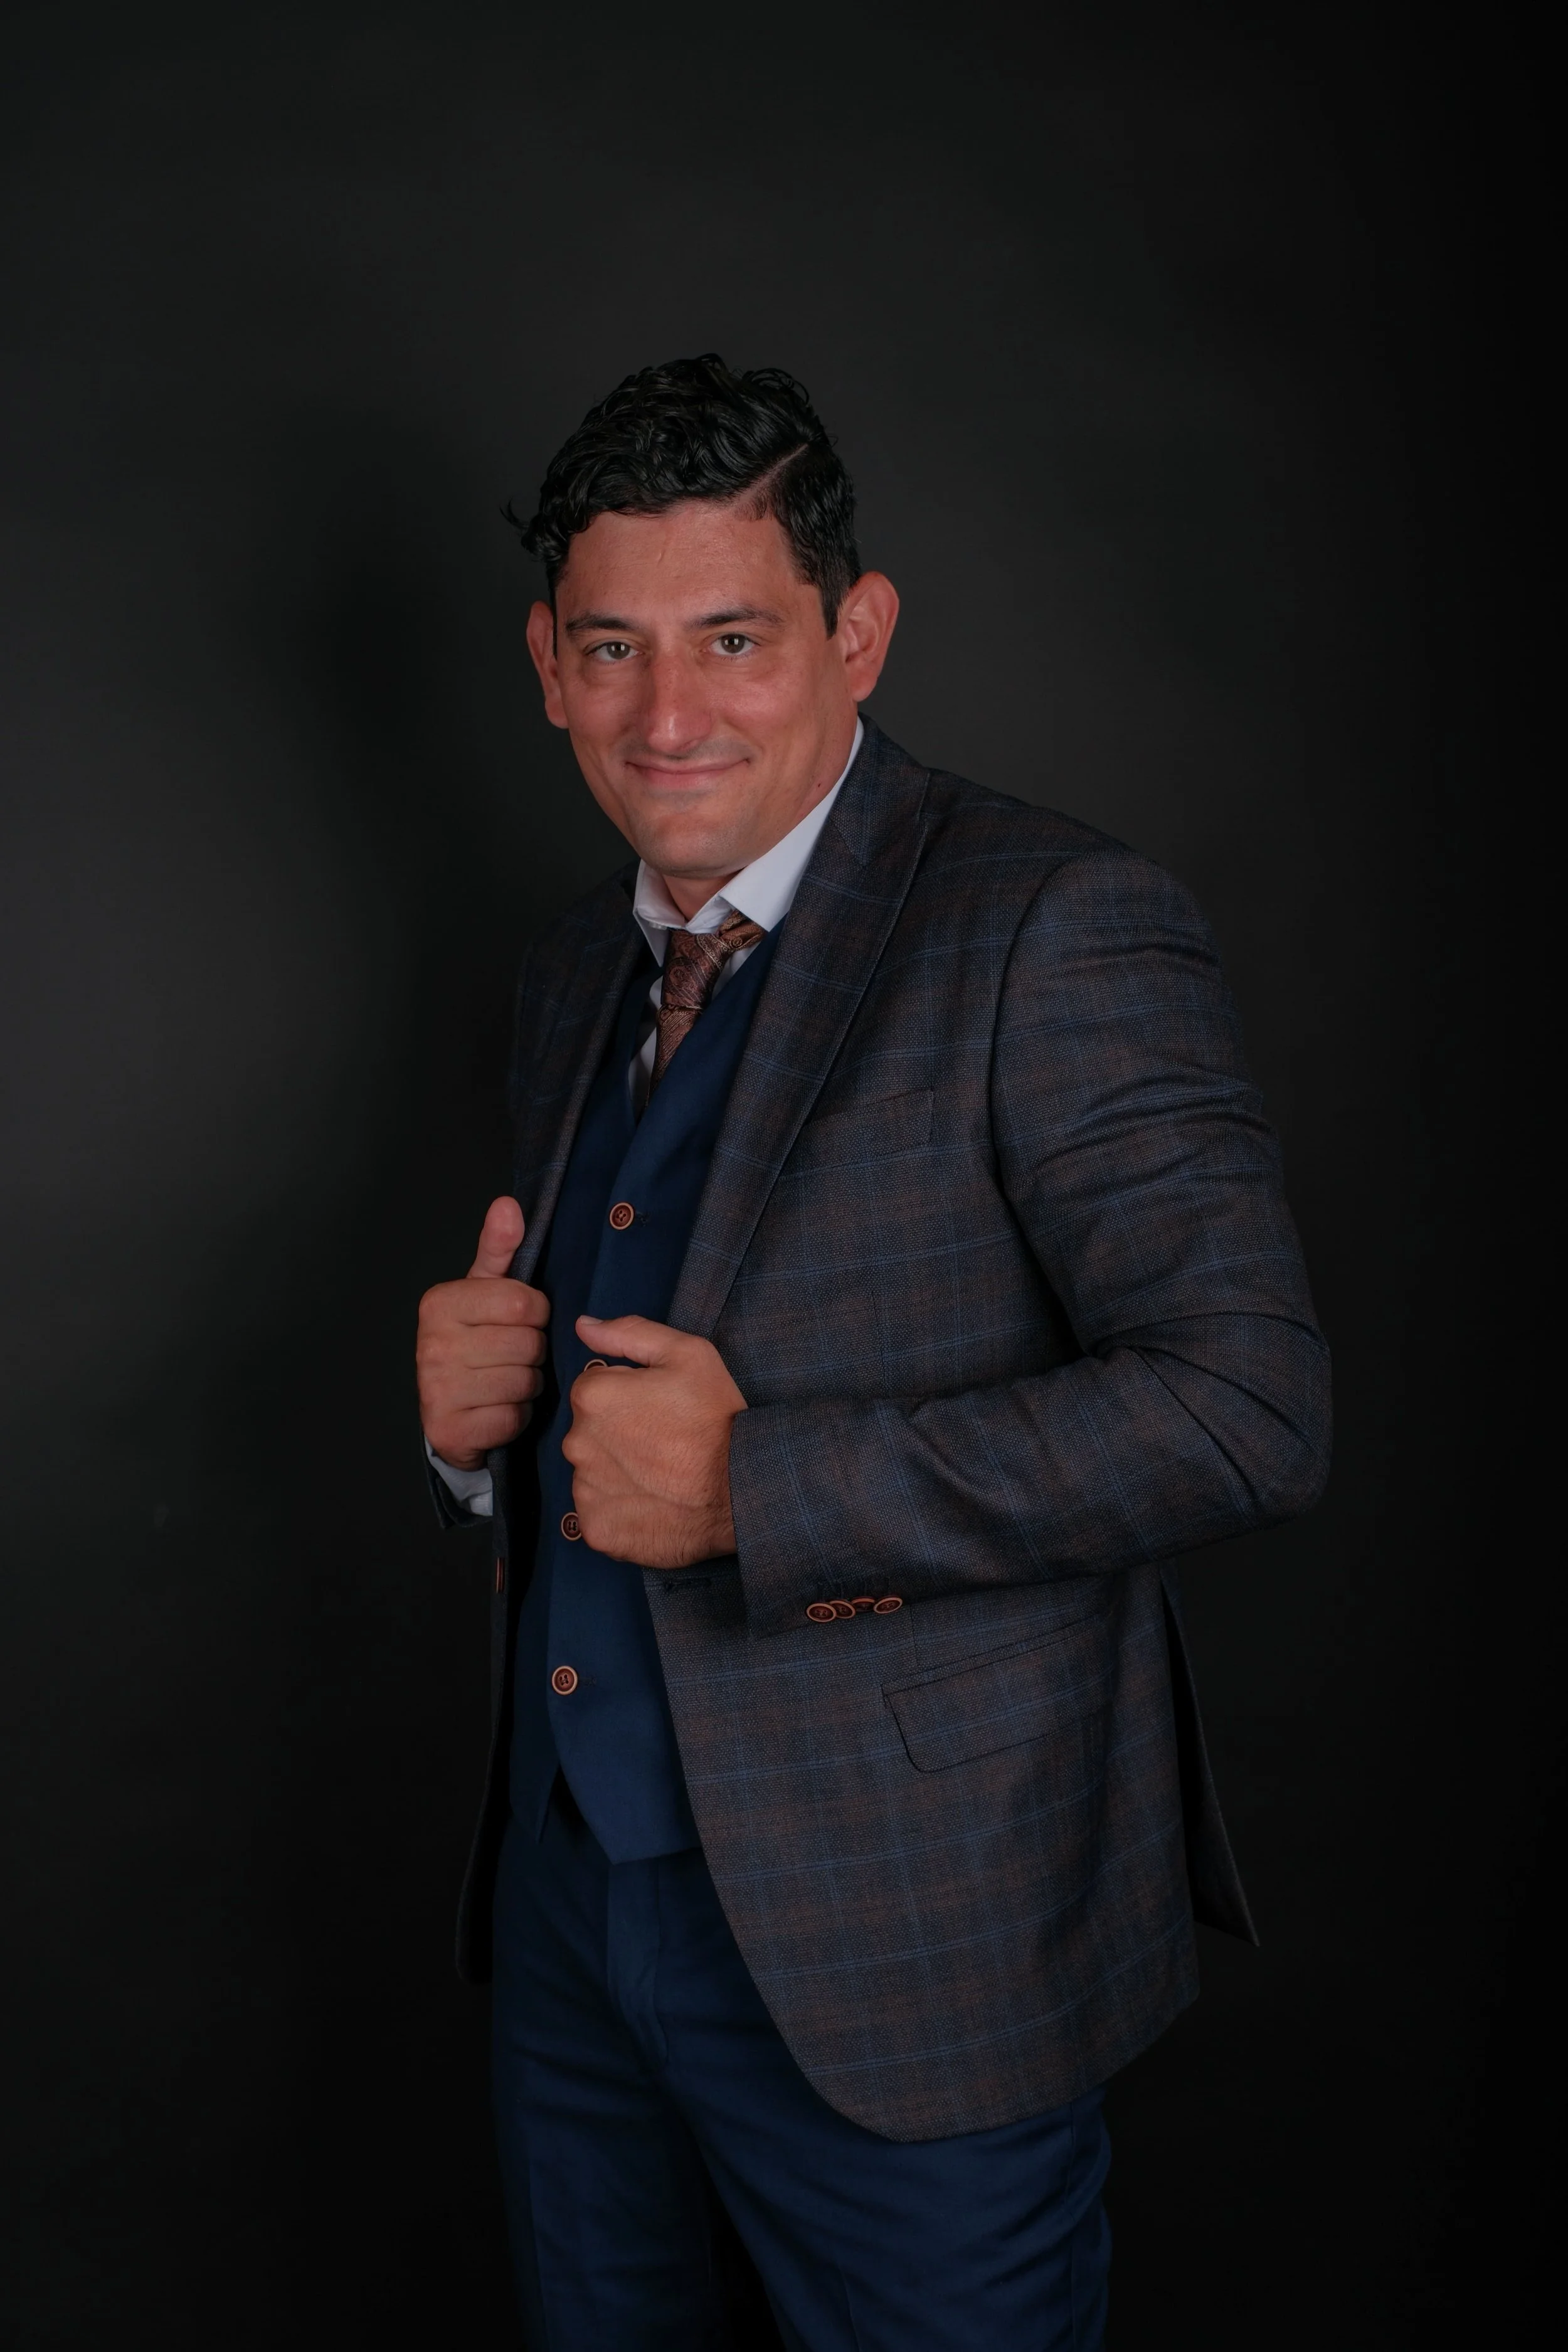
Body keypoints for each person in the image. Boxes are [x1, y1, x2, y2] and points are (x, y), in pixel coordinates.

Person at [414, 354, 1330, 2351]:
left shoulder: (1054, 925)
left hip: (905, 1948)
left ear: (855, 632)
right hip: (577, 1923)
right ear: (547, 669)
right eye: (613, 650)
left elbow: (1246, 1402)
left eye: (732, 640)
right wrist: (475, 1429)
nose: (670, 717)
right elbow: (612, 1399)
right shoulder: (580, 961)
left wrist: (763, 1488)